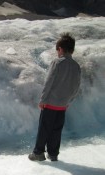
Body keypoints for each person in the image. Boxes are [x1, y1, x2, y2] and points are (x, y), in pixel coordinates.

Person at [29, 33, 81, 162]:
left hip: (50, 103)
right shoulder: (76, 66)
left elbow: (49, 82)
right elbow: (76, 86)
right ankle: (53, 154)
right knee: (56, 130)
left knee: (44, 128)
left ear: (60, 49)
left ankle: (38, 153)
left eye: (57, 50)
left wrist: (43, 99)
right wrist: (69, 100)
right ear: (72, 50)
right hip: (63, 105)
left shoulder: (57, 62)